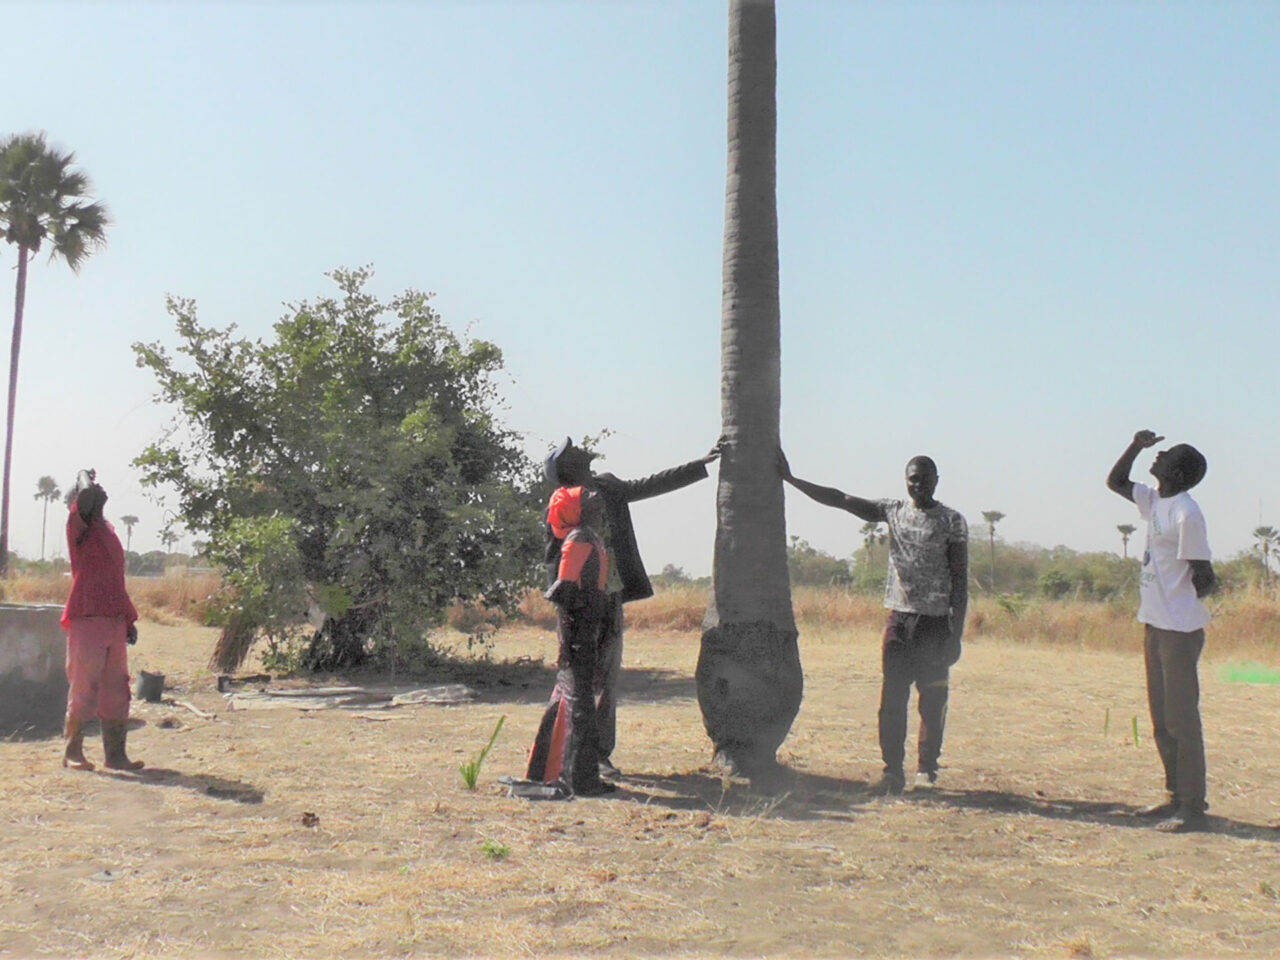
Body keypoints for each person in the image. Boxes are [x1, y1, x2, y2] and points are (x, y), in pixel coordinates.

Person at [779, 450, 968, 795]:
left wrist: (955, 635)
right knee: (892, 700)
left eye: (925, 479)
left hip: (935, 624)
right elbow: (841, 499)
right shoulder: (892, 511)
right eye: (913, 479)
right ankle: (892, 772)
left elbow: (960, 579)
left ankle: (926, 771)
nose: (919, 485)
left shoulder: (952, 521)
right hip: (899, 621)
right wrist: (793, 480)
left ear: (937, 481)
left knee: (932, 701)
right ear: (905, 481)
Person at [543, 436, 722, 779]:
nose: (580, 450)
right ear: (568, 468)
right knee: (579, 679)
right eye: (572, 452)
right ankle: (573, 754)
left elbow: (651, 484)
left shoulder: (607, 487)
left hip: (610, 597)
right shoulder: (563, 502)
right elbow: (554, 557)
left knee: (607, 678)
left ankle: (599, 755)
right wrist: (568, 604)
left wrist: (699, 464)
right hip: (581, 604)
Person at [1106, 430, 1215, 832]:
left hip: (1179, 629)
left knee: (1182, 720)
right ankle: (1174, 796)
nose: (1161, 454)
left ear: (1179, 474)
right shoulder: (1154, 500)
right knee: (1162, 720)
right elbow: (1116, 481)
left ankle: (1192, 807)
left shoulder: (1187, 513)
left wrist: (1179, 600)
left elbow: (1205, 576)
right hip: (1155, 624)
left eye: (1167, 454)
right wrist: (1136, 446)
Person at [523, 487, 613, 797]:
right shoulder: (588, 539)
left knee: (575, 700)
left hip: (579, 631)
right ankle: (572, 775)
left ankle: (567, 774)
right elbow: (573, 591)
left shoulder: (580, 539)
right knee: (577, 700)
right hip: (583, 631)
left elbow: (566, 591)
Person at [61, 470, 143, 772]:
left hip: (113, 618)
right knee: (84, 687)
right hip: (87, 617)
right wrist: (83, 475)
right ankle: (72, 752)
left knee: (116, 689)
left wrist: (128, 619)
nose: (100, 492)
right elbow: (85, 495)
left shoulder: (107, 530)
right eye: (94, 491)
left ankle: (115, 756)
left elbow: (114, 580)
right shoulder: (78, 527)